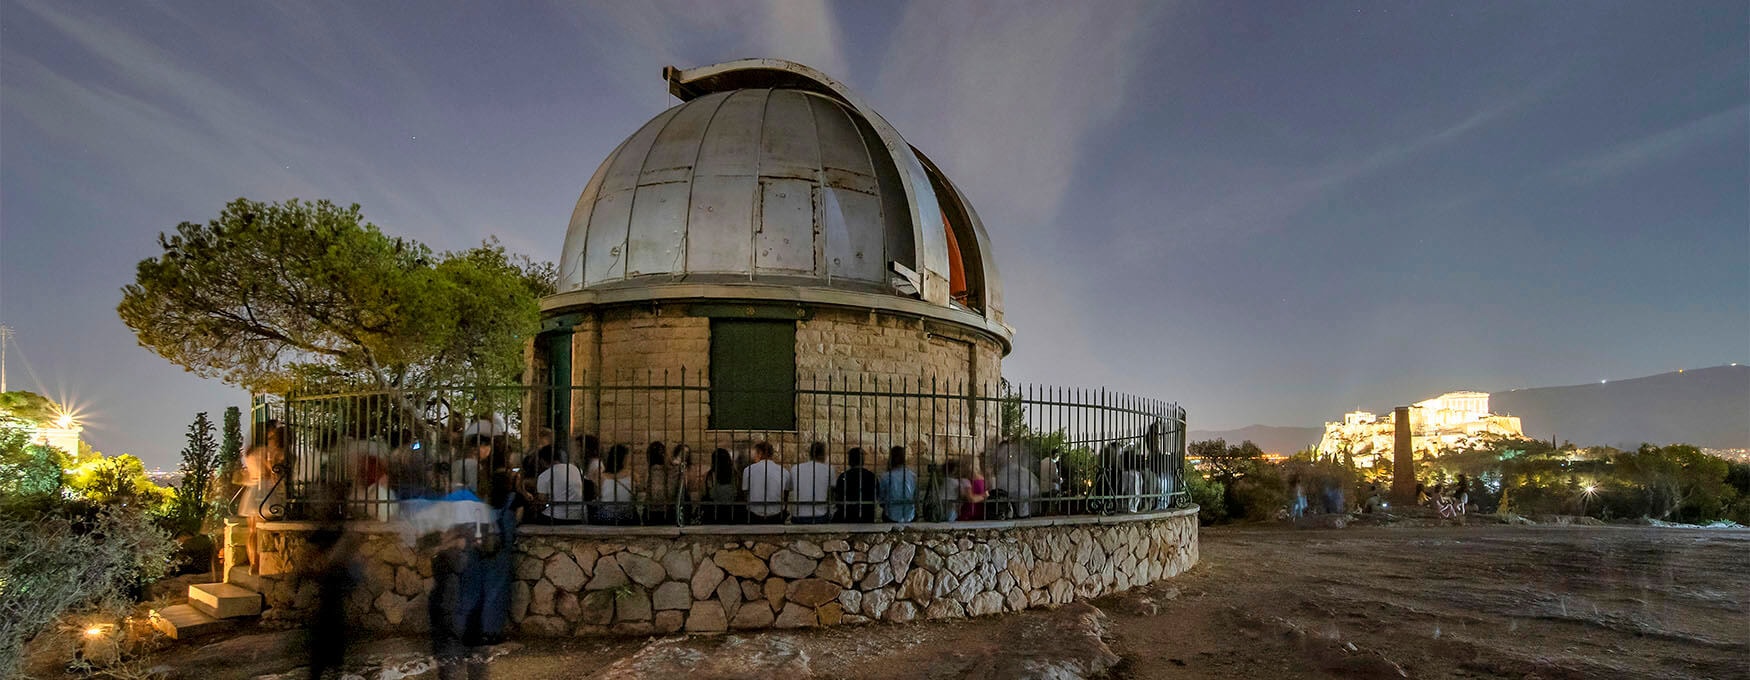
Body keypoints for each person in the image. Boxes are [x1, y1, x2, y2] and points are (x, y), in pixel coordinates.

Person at [238, 422, 287, 575]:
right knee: (261, 531)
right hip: (265, 490)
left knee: (251, 532)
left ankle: (253, 562)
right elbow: (273, 472)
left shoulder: (250, 452)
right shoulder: (267, 452)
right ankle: (258, 564)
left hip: (252, 490)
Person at [532, 446, 588, 525]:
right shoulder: (575, 468)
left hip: (557, 517)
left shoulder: (544, 475)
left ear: (542, 460)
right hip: (579, 515)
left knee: (531, 518)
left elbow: (542, 501)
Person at [989, 441, 1039, 518]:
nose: (1006, 455)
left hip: (1019, 511)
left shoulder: (1019, 470)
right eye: (1004, 452)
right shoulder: (997, 471)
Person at [788, 441, 834, 524]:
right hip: (820, 516)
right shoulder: (829, 470)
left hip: (798, 516)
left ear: (810, 454)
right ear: (824, 455)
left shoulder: (795, 468)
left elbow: (789, 488)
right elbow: (832, 493)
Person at [742, 441, 787, 523]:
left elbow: (745, 493)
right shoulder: (783, 471)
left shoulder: (748, 470)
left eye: (755, 453)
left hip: (754, 515)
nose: (754, 456)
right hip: (777, 515)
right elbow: (786, 494)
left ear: (760, 453)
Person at [833, 447, 880, 523]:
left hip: (846, 517)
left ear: (850, 460)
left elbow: (838, 498)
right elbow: (876, 497)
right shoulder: (871, 476)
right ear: (863, 460)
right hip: (867, 517)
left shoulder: (844, 476)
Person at [593, 444, 637, 525]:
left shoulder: (601, 477)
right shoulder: (633, 475)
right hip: (626, 516)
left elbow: (597, 496)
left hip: (607, 516)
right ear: (624, 459)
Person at [642, 441, 680, 525]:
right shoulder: (672, 471)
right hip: (667, 511)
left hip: (650, 511)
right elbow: (671, 492)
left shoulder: (649, 472)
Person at [877, 445, 918, 523]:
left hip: (891, 515)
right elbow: (915, 495)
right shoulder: (912, 476)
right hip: (910, 515)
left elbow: (881, 499)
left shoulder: (885, 476)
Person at [703, 448, 740, 523]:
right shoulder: (734, 474)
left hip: (715, 510)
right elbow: (738, 490)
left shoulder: (711, 475)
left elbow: (706, 491)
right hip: (732, 509)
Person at [959, 456, 989, 521]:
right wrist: (985, 496)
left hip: (969, 513)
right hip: (981, 512)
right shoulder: (983, 478)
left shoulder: (966, 480)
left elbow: (971, 498)